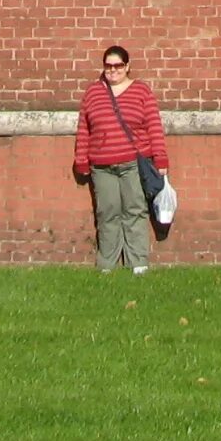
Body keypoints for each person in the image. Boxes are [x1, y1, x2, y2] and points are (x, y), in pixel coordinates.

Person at [72, 44, 169, 274]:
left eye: (118, 66)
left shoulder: (141, 91)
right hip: (102, 165)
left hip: (133, 163)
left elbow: (154, 126)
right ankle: (107, 264)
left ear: (127, 66)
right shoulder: (93, 93)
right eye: (108, 66)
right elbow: (84, 128)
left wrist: (161, 160)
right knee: (107, 212)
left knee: (135, 211)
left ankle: (139, 263)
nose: (113, 70)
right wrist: (81, 160)